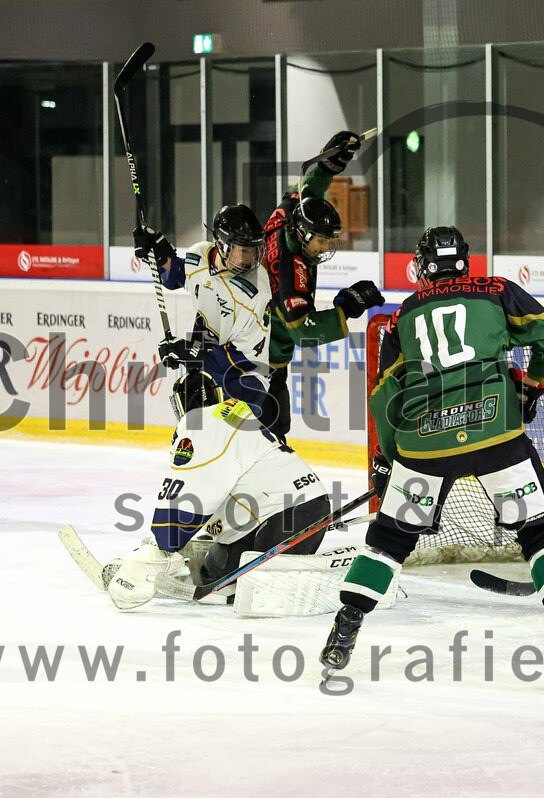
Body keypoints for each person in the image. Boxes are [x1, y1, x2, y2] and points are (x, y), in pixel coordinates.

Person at [318, 226, 544, 695]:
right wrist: (533, 389)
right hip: (496, 433)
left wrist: (391, 458)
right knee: (539, 532)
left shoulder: (404, 315)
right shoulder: (497, 291)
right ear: (464, 261)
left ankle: (341, 636)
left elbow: (384, 396)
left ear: (424, 265)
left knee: (389, 541)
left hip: (424, 445)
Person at [105, 369, 334, 610]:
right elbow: (221, 484)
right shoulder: (230, 419)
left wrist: (162, 544)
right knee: (215, 573)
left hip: (289, 514)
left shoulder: (204, 423)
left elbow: (194, 488)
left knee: (260, 588)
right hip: (294, 510)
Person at [259, 131, 385, 438]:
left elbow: (307, 188)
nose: (325, 248)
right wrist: (347, 306)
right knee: (269, 433)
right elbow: (304, 329)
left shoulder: (291, 212)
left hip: (251, 348)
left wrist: (329, 163)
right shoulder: (292, 270)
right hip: (260, 360)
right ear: (302, 235)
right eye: (320, 241)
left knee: (269, 432)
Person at [133, 204, 272, 415]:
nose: (250, 258)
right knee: (192, 440)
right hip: (204, 373)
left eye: (253, 250)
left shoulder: (255, 290)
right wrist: (158, 257)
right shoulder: (199, 255)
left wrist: (190, 352)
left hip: (244, 380)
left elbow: (244, 354)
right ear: (223, 245)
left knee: (232, 444)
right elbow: (179, 276)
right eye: (244, 250)